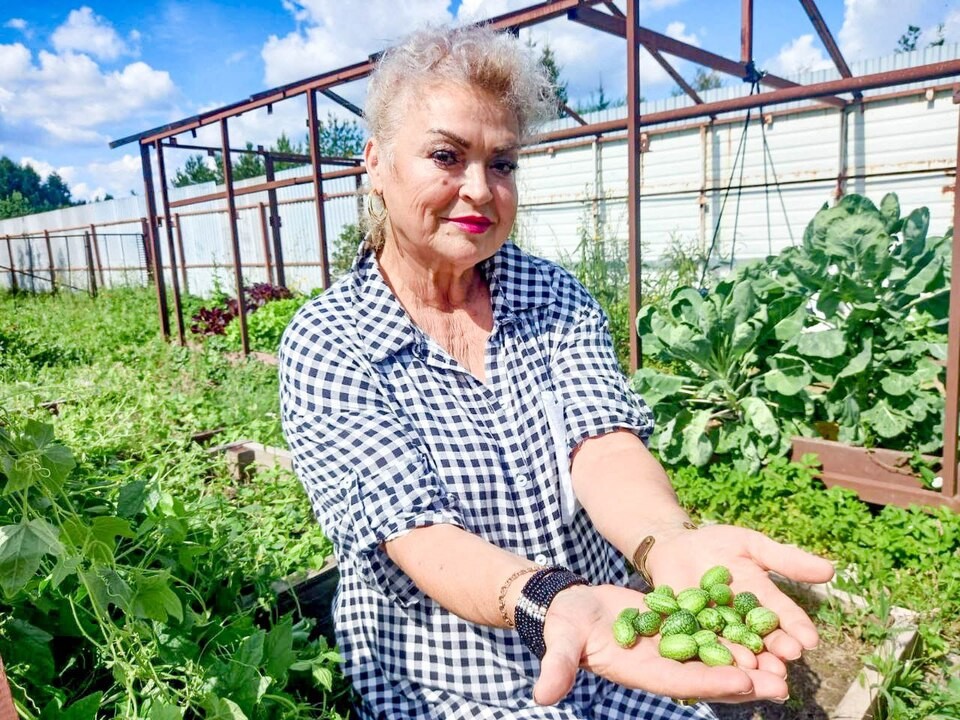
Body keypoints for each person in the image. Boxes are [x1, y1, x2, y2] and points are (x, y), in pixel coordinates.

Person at [278, 23, 835, 719]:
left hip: (613, 650)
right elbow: (416, 529)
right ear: (375, 163)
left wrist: (664, 545)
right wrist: (551, 600)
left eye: (502, 163)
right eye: (446, 156)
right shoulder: (331, 341)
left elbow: (601, 443)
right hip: (449, 684)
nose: (479, 189)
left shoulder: (553, 296)